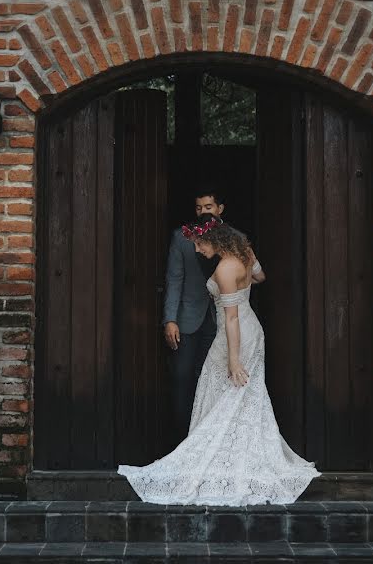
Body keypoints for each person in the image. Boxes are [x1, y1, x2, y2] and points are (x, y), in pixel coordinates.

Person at [120, 214, 319, 505]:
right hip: (251, 331)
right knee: (238, 396)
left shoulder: (226, 268)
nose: (198, 250)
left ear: (212, 239)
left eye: (199, 244)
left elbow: (232, 317)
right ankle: (233, 455)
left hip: (235, 337)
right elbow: (260, 277)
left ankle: (223, 459)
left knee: (224, 392)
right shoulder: (244, 254)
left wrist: (234, 360)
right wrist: (248, 270)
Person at [163, 189, 262, 441]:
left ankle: (215, 442)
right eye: (198, 207)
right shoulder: (185, 239)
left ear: (220, 209)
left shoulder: (233, 251)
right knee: (188, 377)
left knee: (220, 382)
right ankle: (186, 438)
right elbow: (175, 278)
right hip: (201, 319)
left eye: (208, 206)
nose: (196, 249)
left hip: (228, 323)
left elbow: (233, 314)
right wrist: (170, 318)